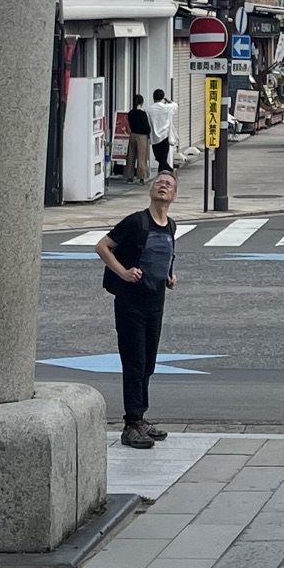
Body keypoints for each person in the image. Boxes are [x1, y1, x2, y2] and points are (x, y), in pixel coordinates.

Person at [94, 169, 178, 448]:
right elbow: (103, 246)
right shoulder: (136, 222)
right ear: (151, 190)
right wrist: (123, 272)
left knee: (148, 364)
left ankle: (140, 418)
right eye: (159, 183)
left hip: (155, 303)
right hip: (131, 302)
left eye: (168, 185)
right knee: (134, 362)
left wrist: (168, 275)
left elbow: (165, 254)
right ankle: (131, 424)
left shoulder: (171, 225)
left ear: (174, 195)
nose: (163, 186)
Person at [145, 86, 177, 172]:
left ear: (153, 97)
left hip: (154, 136)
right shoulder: (166, 107)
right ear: (162, 98)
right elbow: (175, 105)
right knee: (162, 158)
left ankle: (166, 171)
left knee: (159, 158)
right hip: (164, 135)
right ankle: (169, 171)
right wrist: (168, 101)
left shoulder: (148, 109)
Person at [124, 96, 152, 183]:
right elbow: (146, 127)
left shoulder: (130, 113)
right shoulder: (143, 114)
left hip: (132, 135)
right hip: (142, 136)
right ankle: (141, 177)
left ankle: (129, 176)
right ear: (142, 103)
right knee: (141, 157)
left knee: (131, 156)